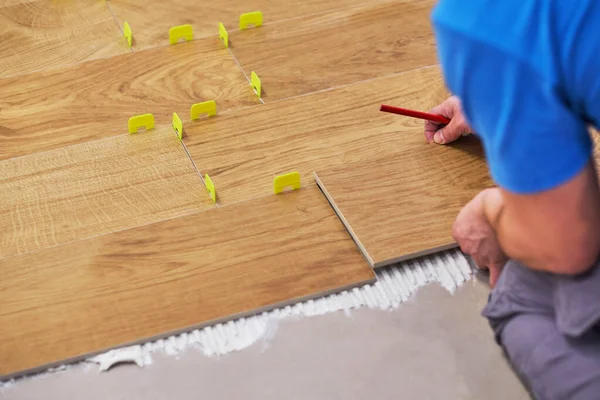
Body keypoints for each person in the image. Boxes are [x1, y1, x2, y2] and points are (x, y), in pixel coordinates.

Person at [426, 1, 600, 399]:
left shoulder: (484, 15)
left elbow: (565, 246)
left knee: (521, 298)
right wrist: (506, 91)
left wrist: (492, 211)